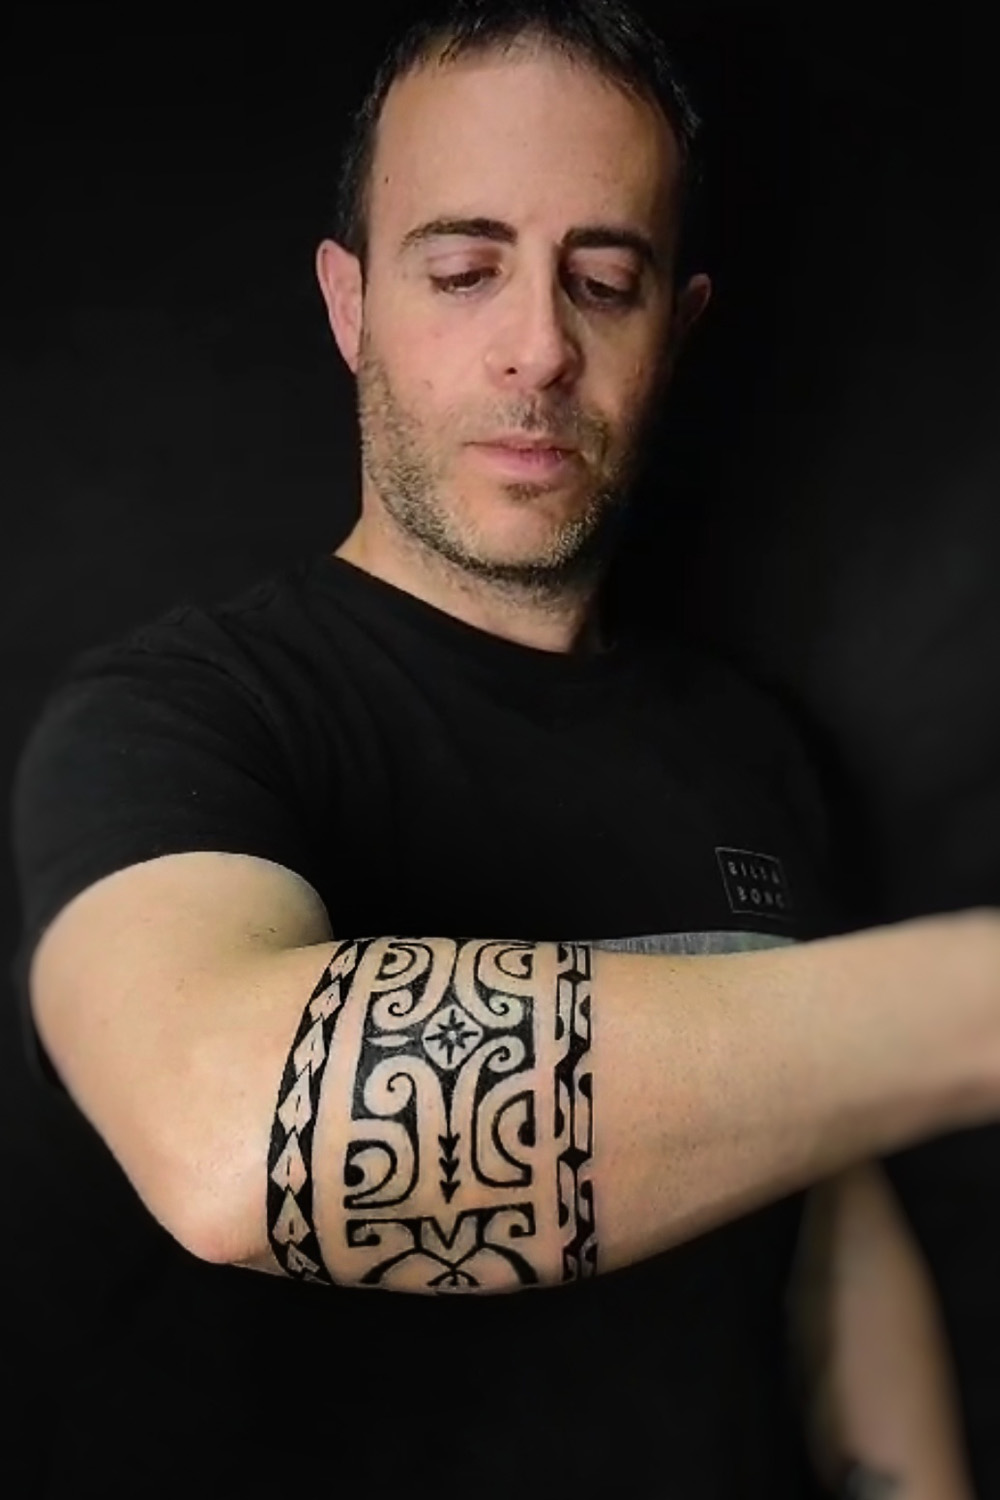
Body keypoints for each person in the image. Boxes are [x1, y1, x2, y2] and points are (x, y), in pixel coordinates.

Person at [9, 2, 993, 1496]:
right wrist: (973, 1005)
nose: (538, 347)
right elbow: (237, 1133)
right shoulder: (181, 714)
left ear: (679, 330)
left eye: (605, 281)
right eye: (464, 270)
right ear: (350, 306)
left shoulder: (755, 747)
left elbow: (825, 1230)